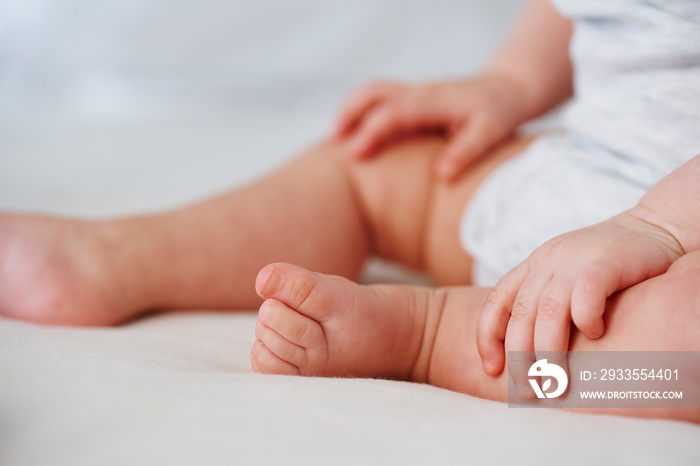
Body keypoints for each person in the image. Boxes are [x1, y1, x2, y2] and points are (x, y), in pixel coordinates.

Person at [0, 0, 698, 423]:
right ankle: (117, 257)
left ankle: (432, 337)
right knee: (381, 163)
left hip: (673, 264)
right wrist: (508, 83)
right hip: (588, 179)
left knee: (683, 350)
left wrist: (659, 225)